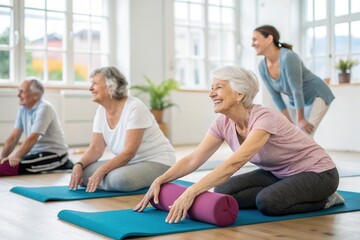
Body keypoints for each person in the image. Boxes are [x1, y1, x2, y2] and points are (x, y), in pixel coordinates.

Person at [134, 65, 344, 223]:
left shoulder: (264, 119)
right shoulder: (223, 123)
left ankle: (326, 199)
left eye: (218, 87)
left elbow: (234, 163)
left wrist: (190, 192)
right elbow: (194, 158)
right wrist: (159, 180)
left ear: (240, 94)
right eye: (211, 88)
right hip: (279, 172)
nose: (211, 93)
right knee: (223, 189)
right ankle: (287, 190)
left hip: (318, 173)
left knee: (268, 202)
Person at [68, 66, 175, 192]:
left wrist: (102, 171)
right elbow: (95, 149)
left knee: (119, 179)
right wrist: (78, 165)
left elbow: (129, 153)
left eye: (95, 83)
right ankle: (106, 182)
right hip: (129, 163)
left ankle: (107, 182)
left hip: (157, 161)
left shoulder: (135, 108)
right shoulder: (101, 111)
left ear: (110, 87)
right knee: (84, 173)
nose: (90, 88)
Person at [252, 25, 335, 136]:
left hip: (316, 95)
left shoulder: (288, 57)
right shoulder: (262, 66)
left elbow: (297, 90)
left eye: (255, 39)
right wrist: (289, 123)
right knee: (294, 137)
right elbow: (276, 97)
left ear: (269, 39)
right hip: (297, 102)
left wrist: (300, 119)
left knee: (304, 137)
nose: (252, 44)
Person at [0, 78, 73, 176]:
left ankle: (64, 163)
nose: (18, 95)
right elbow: (13, 138)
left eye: (22, 91)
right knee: (4, 164)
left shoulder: (44, 108)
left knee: (9, 166)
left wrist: (16, 157)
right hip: (34, 153)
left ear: (36, 95)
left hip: (54, 154)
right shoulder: (23, 109)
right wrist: (2, 158)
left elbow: (32, 138)